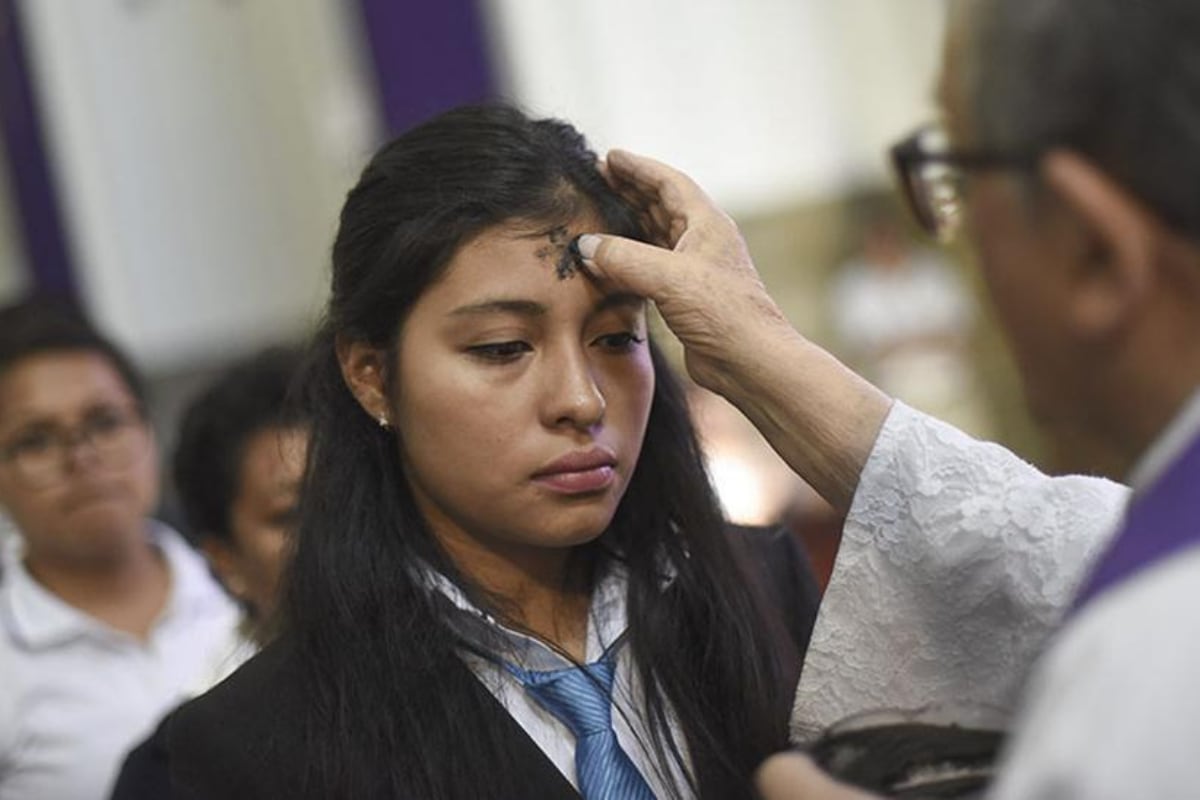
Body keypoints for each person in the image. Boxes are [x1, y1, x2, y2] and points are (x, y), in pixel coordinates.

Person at [576, 0, 1199, 795]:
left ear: (1092, 246)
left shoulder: (1158, 664)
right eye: (500, 349)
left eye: (959, 177)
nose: (575, 400)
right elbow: (1055, 545)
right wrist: (760, 352)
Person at [165, 104, 821, 799]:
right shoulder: (261, 741)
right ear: (372, 375)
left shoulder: (764, 585)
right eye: (502, 348)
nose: (582, 400)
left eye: (616, 338)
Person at [0, 298, 238, 800]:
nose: (82, 458)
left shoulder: (247, 581)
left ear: (149, 432)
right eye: (37, 440)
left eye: (106, 422)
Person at [109, 346, 307, 800]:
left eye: (350, 499)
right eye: (290, 514)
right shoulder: (177, 770)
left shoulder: (482, 665)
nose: (334, 530)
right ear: (226, 560)